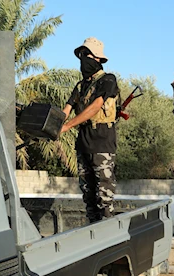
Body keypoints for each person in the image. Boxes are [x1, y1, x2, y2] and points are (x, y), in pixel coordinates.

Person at [61, 37, 120, 223]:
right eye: (81, 56)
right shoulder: (80, 86)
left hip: (102, 141)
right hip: (83, 143)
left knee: (104, 194)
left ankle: (108, 236)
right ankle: (93, 231)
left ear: (98, 59)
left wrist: (68, 125)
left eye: (87, 55)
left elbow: (96, 106)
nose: (83, 59)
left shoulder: (108, 80)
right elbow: (67, 108)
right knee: (88, 194)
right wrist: (53, 126)